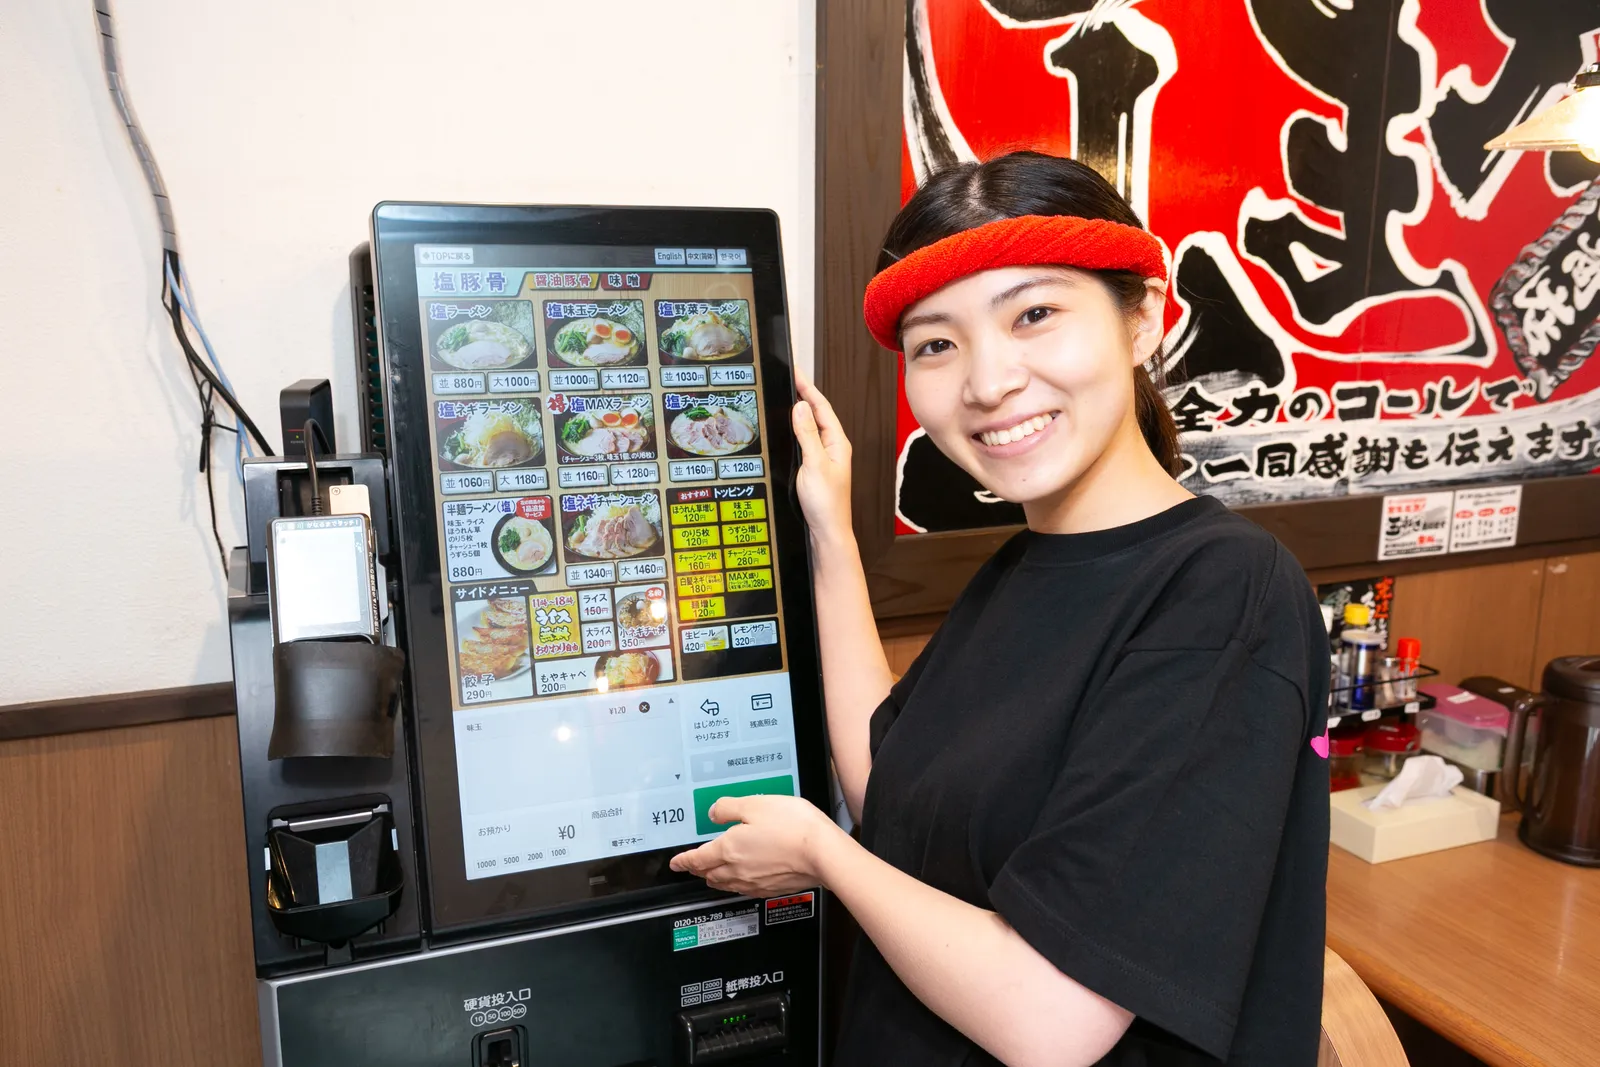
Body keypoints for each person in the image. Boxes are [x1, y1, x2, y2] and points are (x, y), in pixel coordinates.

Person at [670, 151, 1330, 1066]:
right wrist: (828, 534)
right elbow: (891, 791)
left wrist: (824, 856)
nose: (987, 382)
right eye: (937, 343)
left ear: (1144, 319)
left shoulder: (1225, 592)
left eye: (1035, 315)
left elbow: (1051, 1021)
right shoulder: (1026, 564)